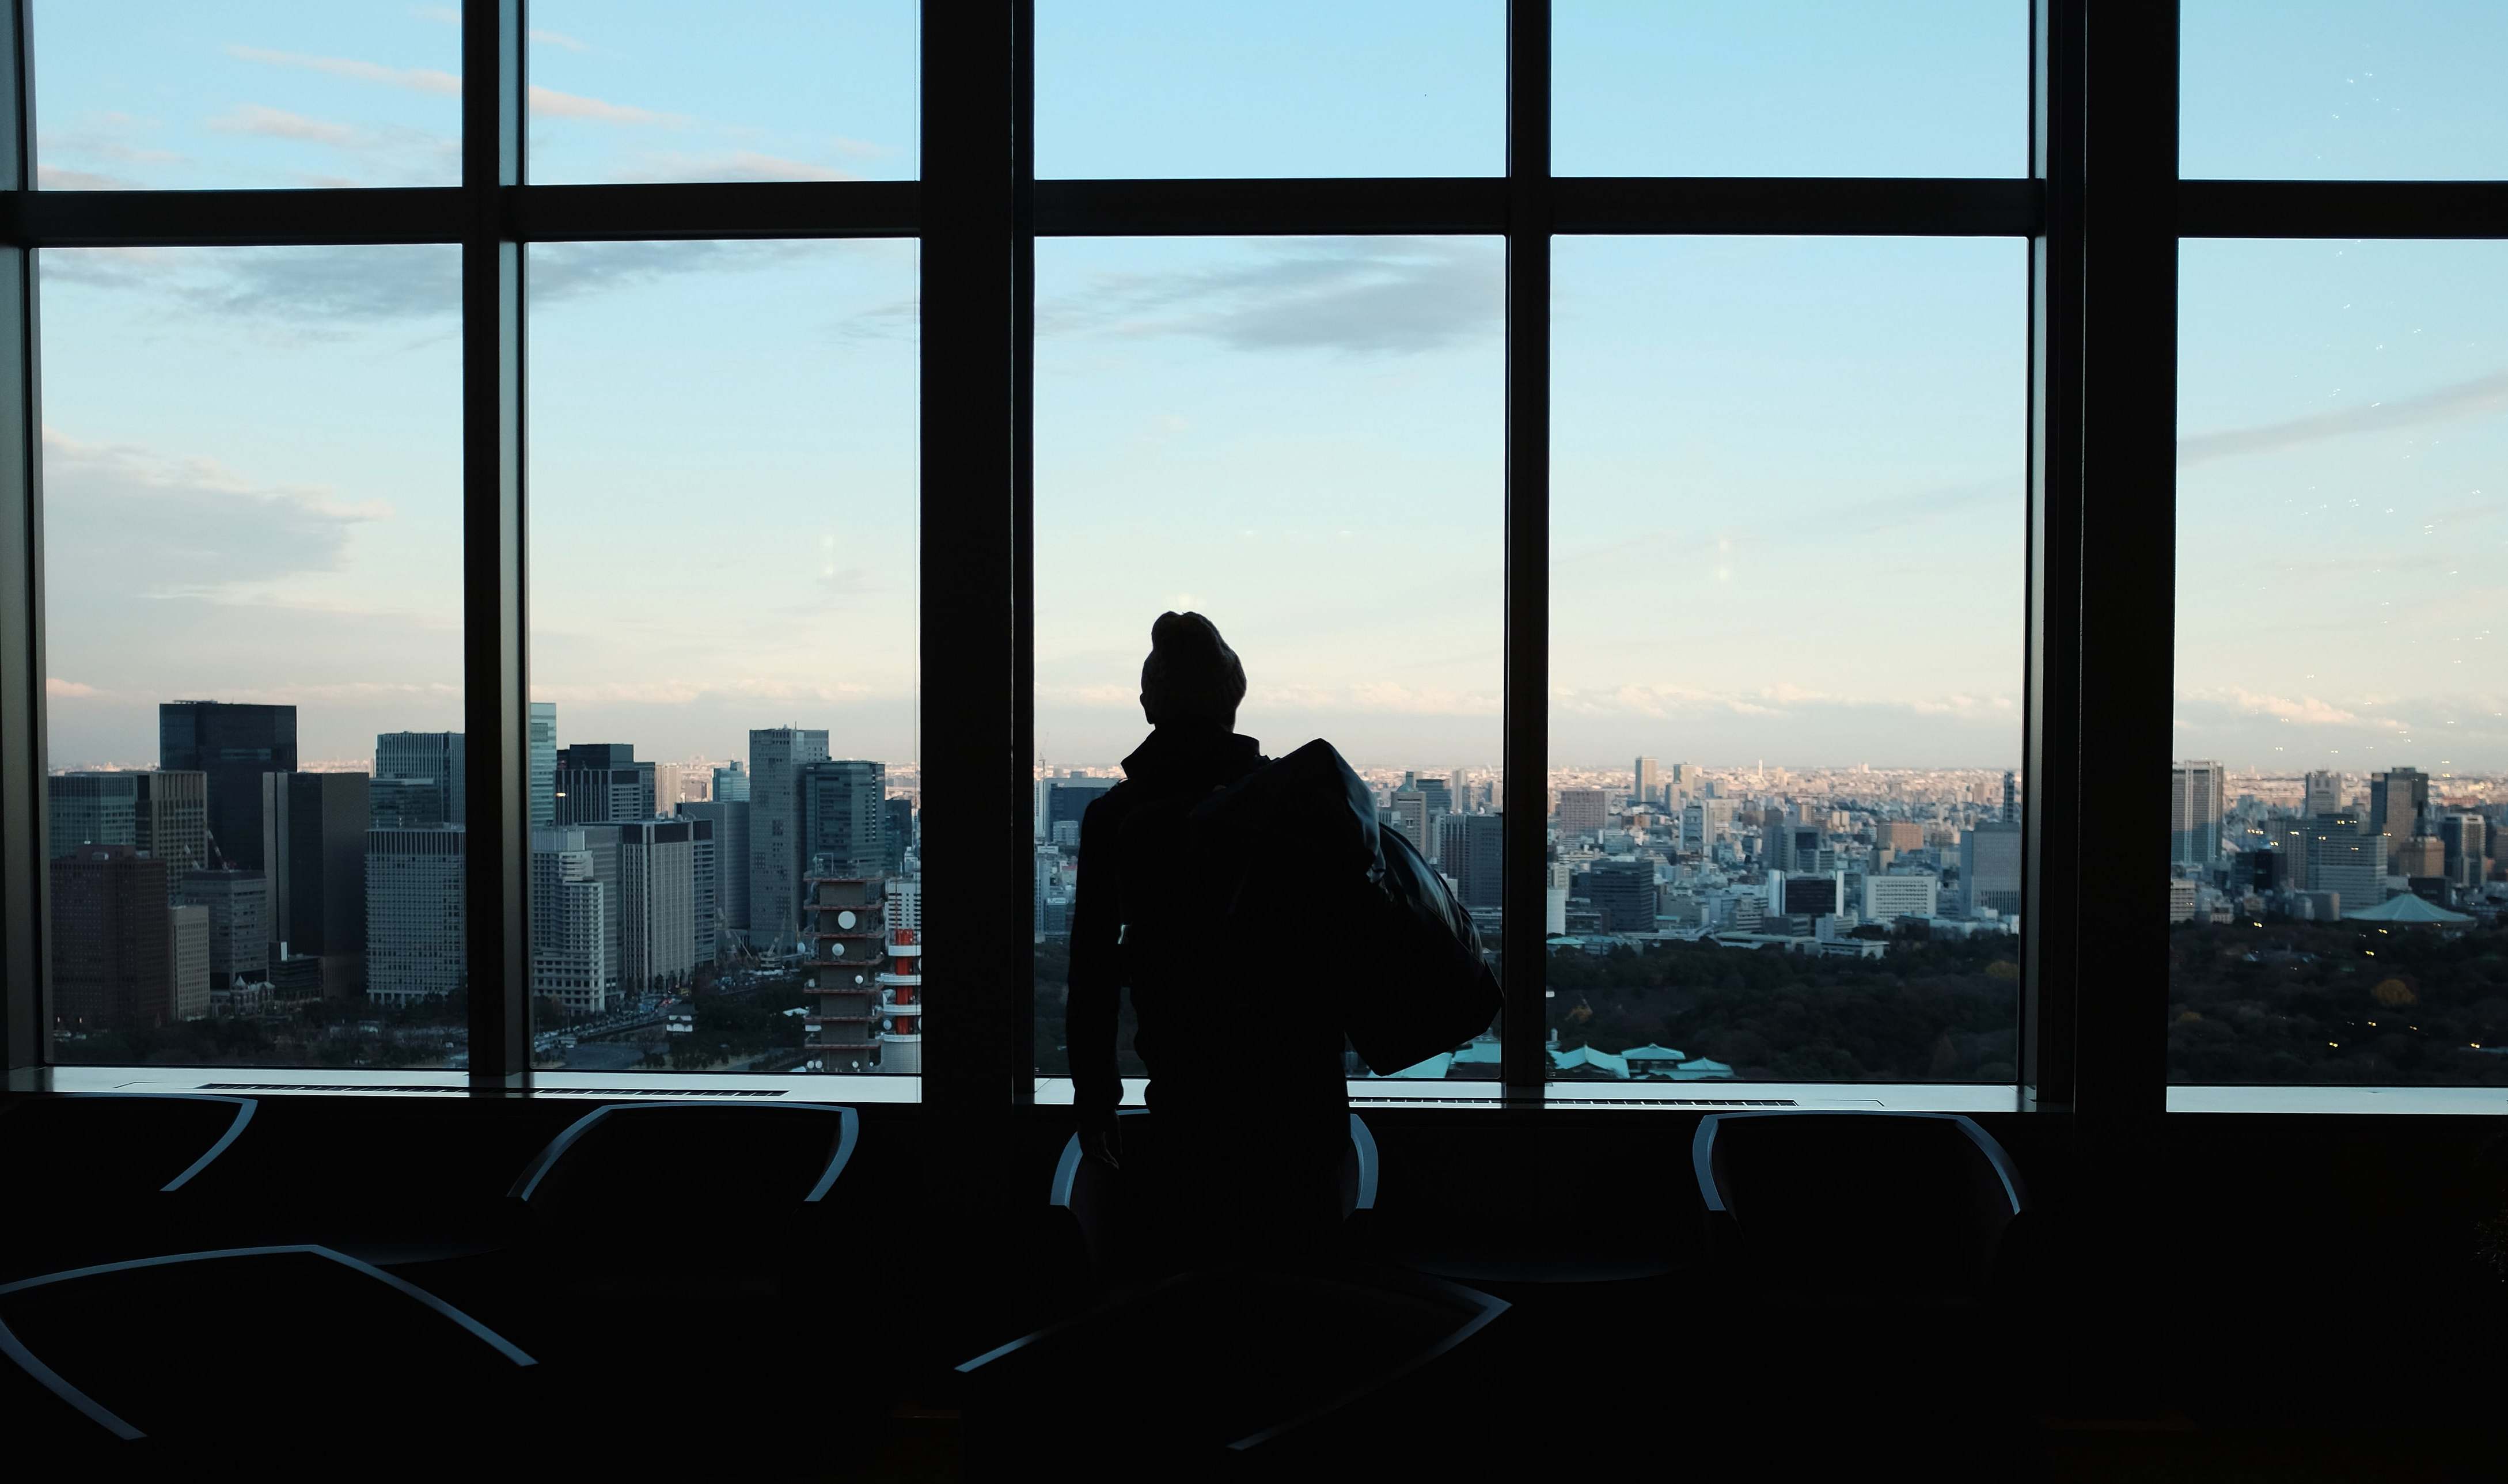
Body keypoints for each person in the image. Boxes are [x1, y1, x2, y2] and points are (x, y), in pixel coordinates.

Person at [1066, 612, 1350, 1272]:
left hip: (1189, 1087)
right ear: (1233, 700)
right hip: (1304, 1085)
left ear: (1149, 706)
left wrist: (1095, 1097)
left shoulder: (1117, 818)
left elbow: (1091, 971)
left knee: (1197, 1283)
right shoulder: (1292, 798)